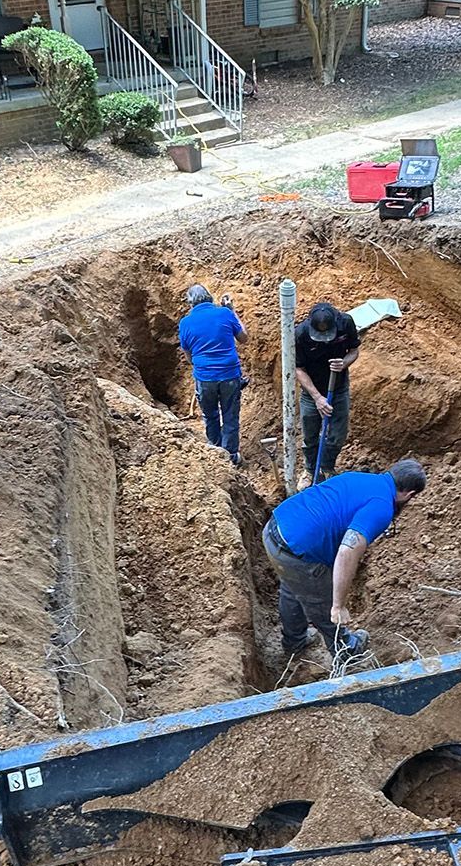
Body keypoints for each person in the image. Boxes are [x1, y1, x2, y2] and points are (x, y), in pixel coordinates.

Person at [261, 459, 427, 658]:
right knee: (321, 605)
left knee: (292, 588)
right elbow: (348, 550)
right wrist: (338, 605)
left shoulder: (359, 477)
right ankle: (347, 652)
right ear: (409, 495)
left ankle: (294, 642)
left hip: (274, 529)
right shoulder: (382, 506)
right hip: (296, 552)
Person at [177, 282, 246, 463]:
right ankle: (231, 456)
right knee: (230, 415)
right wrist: (232, 310)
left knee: (210, 415)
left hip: (205, 377)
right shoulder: (224, 313)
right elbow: (244, 338)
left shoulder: (185, 323)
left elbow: (189, 357)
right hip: (230, 375)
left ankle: (216, 455)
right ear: (209, 297)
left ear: (190, 304)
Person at [295, 299, 361, 482]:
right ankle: (310, 471)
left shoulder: (346, 323)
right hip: (311, 391)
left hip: (338, 388)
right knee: (310, 436)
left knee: (337, 435)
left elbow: (354, 351)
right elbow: (298, 369)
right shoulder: (300, 333)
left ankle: (327, 466)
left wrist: (344, 362)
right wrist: (317, 398)